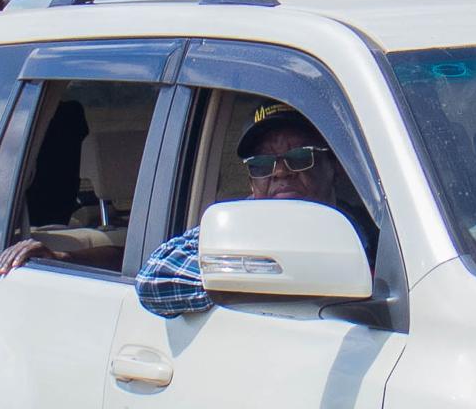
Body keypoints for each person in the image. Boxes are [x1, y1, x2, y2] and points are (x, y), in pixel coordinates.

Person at [131, 104, 374, 313]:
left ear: (334, 165)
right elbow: (155, 277)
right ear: (251, 182)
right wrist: (256, 275)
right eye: (261, 164)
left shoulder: (377, 231)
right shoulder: (236, 229)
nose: (280, 171)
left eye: (300, 157)